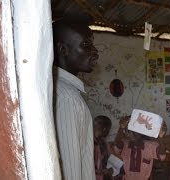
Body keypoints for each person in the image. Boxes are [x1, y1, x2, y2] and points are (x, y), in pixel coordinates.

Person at [53, 20, 99, 180]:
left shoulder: (60, 90)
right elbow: (70, 168)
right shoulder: (67, 98)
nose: (95, 51)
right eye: (86, 44)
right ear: (63, 50)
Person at [93, 115, 114, 180]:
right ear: (104, 129)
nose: (108, 132)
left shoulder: (103, 141)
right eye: (109, 130)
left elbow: (109, 157)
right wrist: (102, 171)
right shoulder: (89, 142)